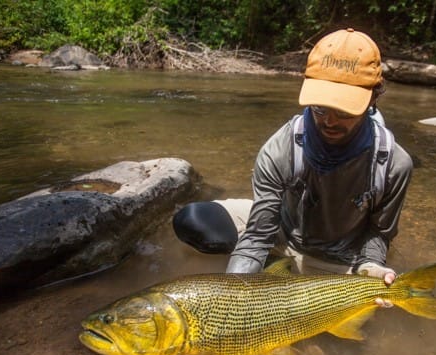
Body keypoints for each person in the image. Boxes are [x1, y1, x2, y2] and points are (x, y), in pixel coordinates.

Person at [174, 28, 413, 285]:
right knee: (194, 221)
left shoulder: (394, 164)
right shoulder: (280, 147)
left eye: (344, 110)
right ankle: (277, 267)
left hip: (340, 257)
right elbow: (257, 238)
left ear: (373, 98)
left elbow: (379, 233)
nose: (329, 120)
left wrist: (371, 267)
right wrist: (234, 293)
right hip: (283, 231)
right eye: (320, 106)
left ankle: (288, 273)